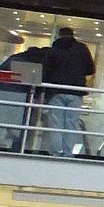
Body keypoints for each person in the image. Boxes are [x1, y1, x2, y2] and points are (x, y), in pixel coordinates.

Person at [39, 27, 95, 155]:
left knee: (56, 123)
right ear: (72, 35)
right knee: (72, 123)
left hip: (56, 91)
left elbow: (46, 71)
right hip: (75, 90)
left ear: (59, 35)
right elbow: (90, 69)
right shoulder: (82, 49)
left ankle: (57, 152)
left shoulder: (53, 49)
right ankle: (68, 152)